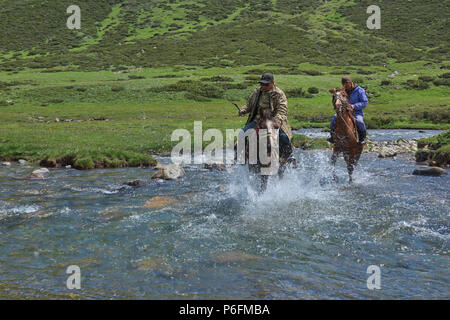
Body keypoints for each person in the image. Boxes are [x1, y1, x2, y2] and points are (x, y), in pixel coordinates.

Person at [238, 73, 293, 160]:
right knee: (242, 133)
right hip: (258, 120)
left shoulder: (279, 94)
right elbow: (249, 104)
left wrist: (277, 121)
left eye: (266, 84)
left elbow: (282, 110)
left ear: (272, 83)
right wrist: (243, 110)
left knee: (284, 138)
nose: (263, 86)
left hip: (274, 120)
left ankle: (288, 157)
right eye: (262, 84)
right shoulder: (257, 92)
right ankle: (243, 155)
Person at [329, 76, 368, 145]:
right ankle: (332, 136)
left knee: (360, 121)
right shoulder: (343, 91)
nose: (345, 87)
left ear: (350, 83)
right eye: (343, 85)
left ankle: (363, 138)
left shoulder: (360, 90)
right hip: (344, 112)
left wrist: (354, 106)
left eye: (346, 85)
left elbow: (365, 102)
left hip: (356, 112)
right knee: (334, 117)